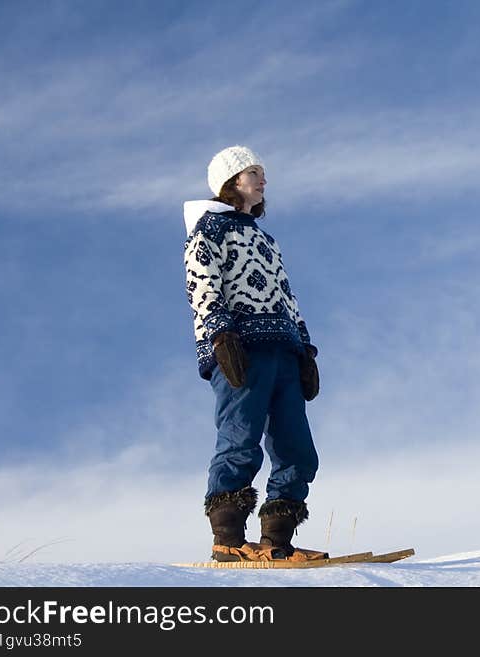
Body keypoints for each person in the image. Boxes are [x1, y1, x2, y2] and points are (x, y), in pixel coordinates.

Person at [183, 145, 327, 562]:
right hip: (240, 349)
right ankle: (227, 539)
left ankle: (277, 542)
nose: (263, 180)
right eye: (254, 173)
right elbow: (201, 282)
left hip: (283, 348)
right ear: (232, 182)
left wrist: (305, 347)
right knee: (240, 438)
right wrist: (219, 337)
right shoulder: (209, 229)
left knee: (296, 446)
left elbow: (287, 294)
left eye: (262, 173)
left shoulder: (266, 238)